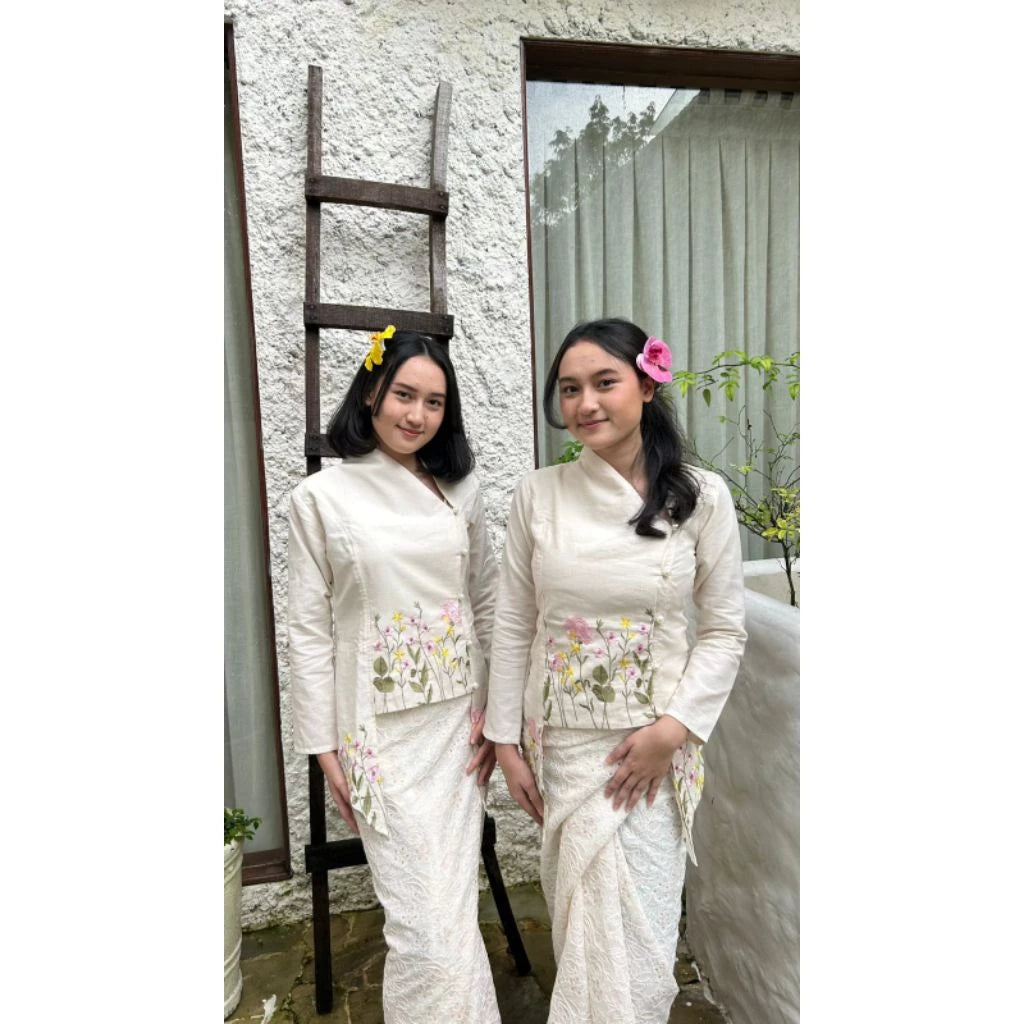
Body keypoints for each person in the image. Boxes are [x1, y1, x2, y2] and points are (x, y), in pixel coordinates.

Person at [484, 317, 747, 1024]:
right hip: (565, 746)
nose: (586, 403)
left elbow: (723, 632)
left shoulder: (701, 497)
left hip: (654, 750)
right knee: (582, 925)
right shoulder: (538, 494)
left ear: (647, 386)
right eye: (570, 389)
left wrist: (674, 729)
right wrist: (505, 740)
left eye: (605, 382)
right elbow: (512, 623)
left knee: (644, 932)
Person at [288, 326, 501, 1024]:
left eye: (435, 403)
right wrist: (323, 747)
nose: (416, 415)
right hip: (376, 738)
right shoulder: (320, 500)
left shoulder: (461, 491)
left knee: (451, 909)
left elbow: (489, 601)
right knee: (423, 927)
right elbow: (309, 630)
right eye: (404, 394)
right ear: (372, 391)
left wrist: (499, 719)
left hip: (456, 729)